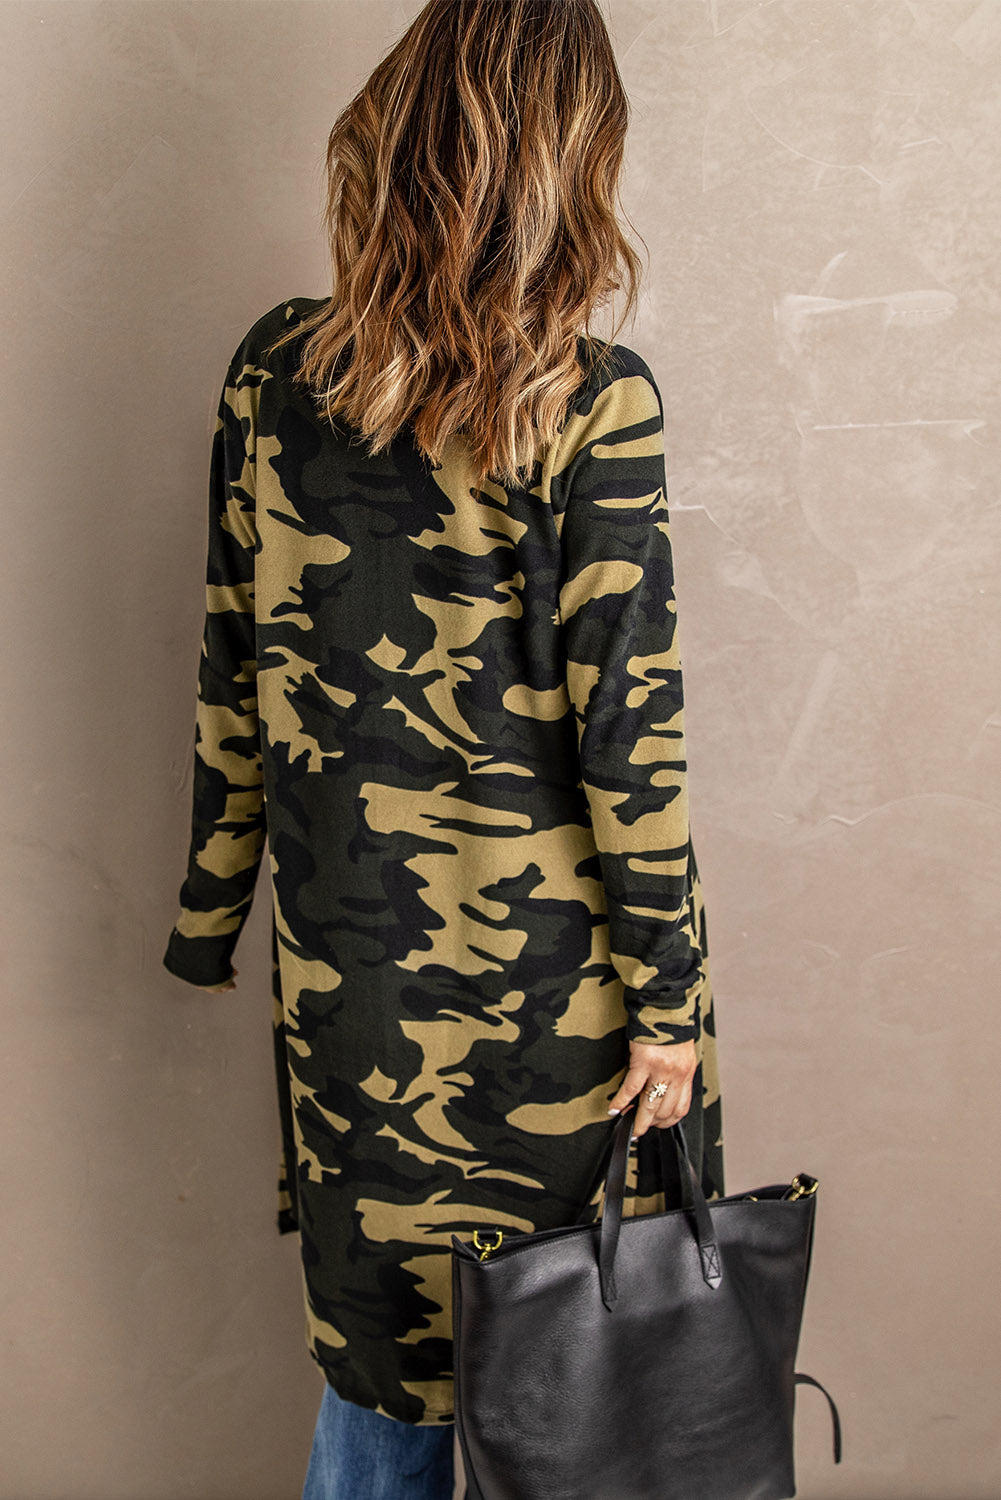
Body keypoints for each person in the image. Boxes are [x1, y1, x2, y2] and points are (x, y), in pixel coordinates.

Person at [161, 0, 725, 1495]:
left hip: (350, 993)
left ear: (397, 131)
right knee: (586, 1402)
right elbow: (631, 738)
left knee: (383, 1384)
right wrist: (669, 1006)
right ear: (569, 166)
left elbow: (233, 665)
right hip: (565, 1013)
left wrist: (212, 914)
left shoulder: (274, 372)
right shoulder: (593, 402)